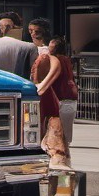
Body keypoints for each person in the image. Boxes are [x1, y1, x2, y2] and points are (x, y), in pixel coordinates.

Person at [33, 32, 73, 169]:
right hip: (67, 98)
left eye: (52, 48)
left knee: (59, 132)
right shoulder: (64, 60)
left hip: (61, 98)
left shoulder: (54, 60)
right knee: (64, 136)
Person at [48, 35, 79, 145]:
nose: (48, 48)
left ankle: (62, 142)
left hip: (61, 94)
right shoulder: (67, 60)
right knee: (67, 122)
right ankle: (66, 141)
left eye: (50, 46)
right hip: (70, 94)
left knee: (59, 120)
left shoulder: (55, 60)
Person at [0, 12, 36, 78]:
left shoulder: (27, 45)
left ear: (16, 27)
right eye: (1, 26)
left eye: (8, 26)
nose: (4, 29)